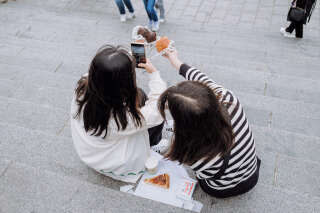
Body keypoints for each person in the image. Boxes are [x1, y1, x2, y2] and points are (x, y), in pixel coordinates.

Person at [158, 49, 261, 198]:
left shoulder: (193, 153)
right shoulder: (229, 99)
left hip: (223, 188)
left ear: (186, 125)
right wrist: (176, 61)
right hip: (252, 171)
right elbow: (202, 78)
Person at [70, 45, 167, 183]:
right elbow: (157, 109)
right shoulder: (124, 120)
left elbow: (104, 71)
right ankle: (153, 144)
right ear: (123, 85)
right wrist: (154, 74)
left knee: (140, 96)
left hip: (89, 153)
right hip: (119, 163)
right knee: (146, 104)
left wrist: (124, 59)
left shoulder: (81, 87)